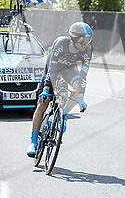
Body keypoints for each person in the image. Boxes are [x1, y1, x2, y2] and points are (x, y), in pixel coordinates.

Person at [27, 22, 93, 157]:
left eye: (88, 41)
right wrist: (46, 89)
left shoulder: (87, 50)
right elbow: (51, 69)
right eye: (83, 41)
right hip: (53, 69)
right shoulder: (61, 43)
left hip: (69, 70)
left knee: (77, 89)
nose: (85, 44)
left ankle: (63, 115)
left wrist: (81, 97)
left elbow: (83, 75)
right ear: (74, 38)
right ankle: (33, 141)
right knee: (43, 103)